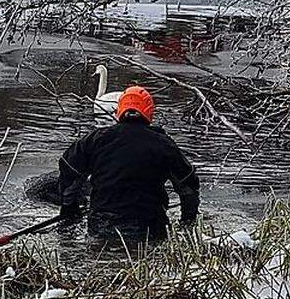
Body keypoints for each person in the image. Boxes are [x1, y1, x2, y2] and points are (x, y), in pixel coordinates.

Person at [58, 85, 200, 242]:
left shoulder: (96, 140)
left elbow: (69, 169)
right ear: (149, 111)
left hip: (102, 226)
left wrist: (69, 208)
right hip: (148, 227)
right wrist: (188, 222)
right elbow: (188, 187)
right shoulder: (164, 145)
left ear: (119, 110)